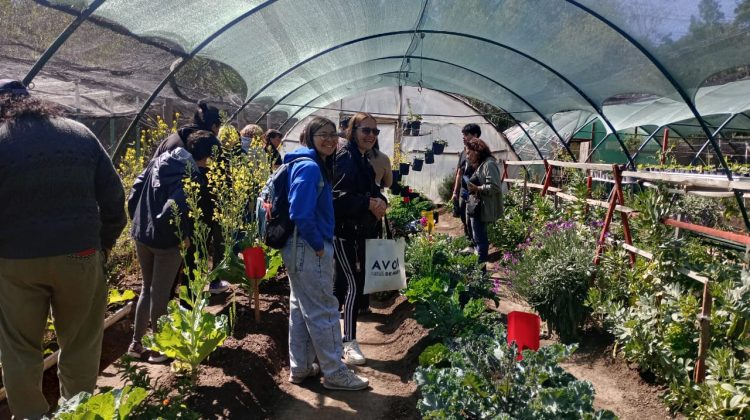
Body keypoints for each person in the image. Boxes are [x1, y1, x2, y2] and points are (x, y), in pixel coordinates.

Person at [0, 79, 126, 418]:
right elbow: (115, 199)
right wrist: (102, 246)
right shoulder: (79, 134)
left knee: (19, 349)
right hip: (80, 255)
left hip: (16, 262)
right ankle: (77, 412)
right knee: (80, 344)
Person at [282, 116, 369, 391]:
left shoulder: (305, 163)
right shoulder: (310, 168)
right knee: (325, 309)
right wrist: (318, 245)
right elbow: (300, 213)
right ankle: (335, 372)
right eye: (323, 134)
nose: (330, 139)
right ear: (310, 136)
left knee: (300, 307)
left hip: (297, 247)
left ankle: (301, 367)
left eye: (333, 134)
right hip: (308, 247)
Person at [127, 130, 218, 363]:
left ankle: (136, 344)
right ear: (206, 156)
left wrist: (139, 221)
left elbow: (135, 191)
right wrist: (182, 235)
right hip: (166, 242)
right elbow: (173, 207)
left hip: (142, 234)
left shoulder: (160, 160)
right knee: (160, 293)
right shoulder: (190, 173)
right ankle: (159, 349)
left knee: (147, 289)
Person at [333, 112, 387, 366]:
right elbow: (337, 198)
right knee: (352, 284)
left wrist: (381, 202)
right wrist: (368, 203)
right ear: (352, 131)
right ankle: (348, 342)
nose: (371, 135)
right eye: (366, 130)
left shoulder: (363, 159)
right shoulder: (346, 157)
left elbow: (375, 189)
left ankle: (333, 339)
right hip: (344, 232)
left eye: (375, 132)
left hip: (358, 231)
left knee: (347, 284)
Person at [465, 138, 503, 265]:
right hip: (478, 206)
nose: (467, 156)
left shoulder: (489, 164)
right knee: (477, 236)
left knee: (480, 238)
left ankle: (481, 268)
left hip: (483, 207)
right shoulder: (482, 164)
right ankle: (480, 265)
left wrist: (478, 188)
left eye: (469, 153)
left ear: (477, 150)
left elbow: (495, 187)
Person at [452, 123, 481, 249]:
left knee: (472, 219)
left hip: (475, 191)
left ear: (475, 135)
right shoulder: (463, 152)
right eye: (463, 134)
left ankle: (476, 245)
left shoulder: (481, 152)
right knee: (464, 217)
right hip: (464, 191)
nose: (463, 137)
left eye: (466, 134)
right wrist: (455, 192)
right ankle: (469, 243)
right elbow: (459, 173)